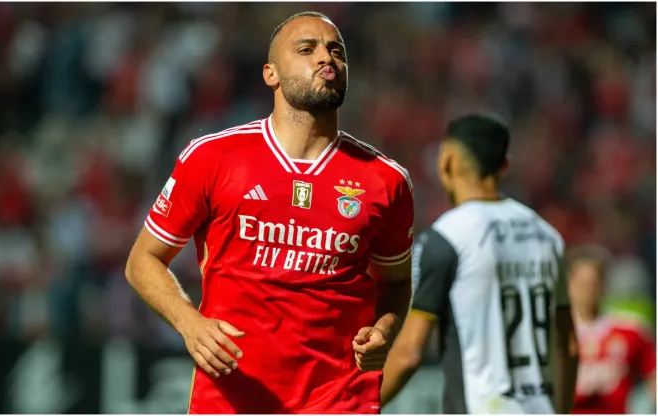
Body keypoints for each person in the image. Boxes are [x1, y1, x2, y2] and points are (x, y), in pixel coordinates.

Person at [125, 11, 415, 414]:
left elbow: (397, 284)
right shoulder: (212, 158)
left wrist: (384, 330)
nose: (325, 59)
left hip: (340, 400)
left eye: (336, 51)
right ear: (270, 74)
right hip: (232, 398)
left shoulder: (385, 180)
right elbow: (143, 260)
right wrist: (189, 324)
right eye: (306, 49)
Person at [380, 114, 580, 414]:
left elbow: (409, 353)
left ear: (447, 161)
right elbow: (569, 348)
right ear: (504, 166)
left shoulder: (446, 238)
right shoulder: (546, 235)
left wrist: (356, 408)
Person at [567, 245, 656, 414]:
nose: (588, 291)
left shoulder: (631, 329)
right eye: (582, 284)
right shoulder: (555, 335)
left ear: (603, 286)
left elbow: (653, 375)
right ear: (569, 286)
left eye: (593, 283)